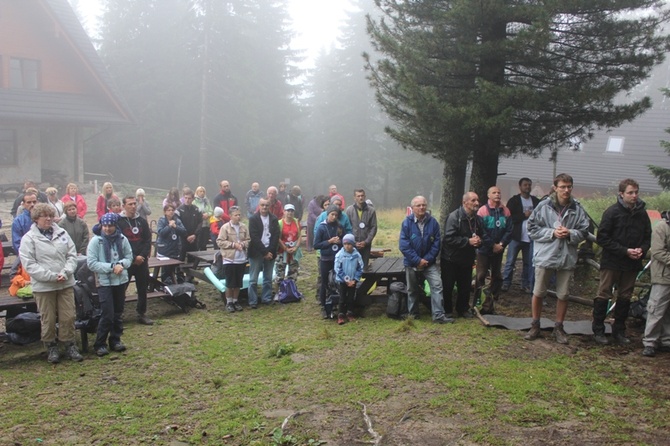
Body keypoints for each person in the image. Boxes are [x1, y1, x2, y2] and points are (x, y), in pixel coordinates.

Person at [524, 173, 590, 344]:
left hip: (567, 256)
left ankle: (559, 327)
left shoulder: (577, 208)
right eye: (562, 187)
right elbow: (531, 228)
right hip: (546, 254)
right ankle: (535, 324)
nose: (566, 190)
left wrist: (570, 234)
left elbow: (584, 231)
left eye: (569, 187)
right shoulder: (543, 206)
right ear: (555, 187)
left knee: (563, 294)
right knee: (538, 292)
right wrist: (551, 233)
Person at [19, 203, 82, 363]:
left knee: (68, 316)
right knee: (47, 318)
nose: (48, 219)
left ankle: (69, 344)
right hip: (44, 286)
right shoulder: (29, 239)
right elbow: (30, 264)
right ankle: (51, 347)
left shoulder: (62, 233)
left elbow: (72, 254)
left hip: (65, 283)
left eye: (50, 215)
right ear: (36, 219)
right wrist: (51, 276)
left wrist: (65, 272)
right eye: (44, 216)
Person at [593, 179, 651, 345]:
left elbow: (648, 236)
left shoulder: (642, 214)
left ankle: (619, 330)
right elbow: (602, 237)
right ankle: (598, 329)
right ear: (621, 194)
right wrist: (624, 251)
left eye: (636, 192)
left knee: (625, 296)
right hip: (612, 261)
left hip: (632, 263)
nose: (634, 196)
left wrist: (642, 249)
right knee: (604, 294)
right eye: (630, 192)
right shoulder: (612, 212)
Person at [399, 196, 453, 323]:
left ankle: (438, 315)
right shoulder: (406, 223)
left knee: (437, 285)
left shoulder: (433, 222)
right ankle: (413, 314)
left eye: (424, 205)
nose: (422, 207)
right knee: (412, 289)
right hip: (412, 263)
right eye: (418, 205)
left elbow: (437, 244)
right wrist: (418, 260)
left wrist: (426, 260)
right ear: (412, 208)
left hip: (429, 263)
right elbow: (404, 245)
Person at [87, 212, 133, 357]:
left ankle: (115, 339)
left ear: (115, 226)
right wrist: (112, 267)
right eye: (105, 226)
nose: (107, 229)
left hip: (120, 280)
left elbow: (129, 256)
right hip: (104, 282)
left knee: (118, 312)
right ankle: (100, 343)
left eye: (110, 226)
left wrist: (121, 264)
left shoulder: (122, 239)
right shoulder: (96, 241)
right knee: (107, 313)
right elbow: (92, 263)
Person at [441, 192, 487, 318]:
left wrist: (479, 241)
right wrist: (468, 241)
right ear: (465, 202)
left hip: (467, 258)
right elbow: (448, 238)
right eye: (473, 200)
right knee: (448, 286)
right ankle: (447, 310)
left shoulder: (478, 219)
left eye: (477, 200)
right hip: (450, 258)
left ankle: (463, 309)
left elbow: (483, 236)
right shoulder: (454, 217)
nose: (477, 203)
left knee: (465, 286)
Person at [475, 186, 513, 312]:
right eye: (494, 192)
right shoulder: (482, 211)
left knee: (497, 277)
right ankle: (478, 303)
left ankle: (491, 302)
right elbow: (481, 231)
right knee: (481, 276)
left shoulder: (506, 211)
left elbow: (509, 230)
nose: (497, 194)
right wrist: (492, 245)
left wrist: (501, 245)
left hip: (499, 250)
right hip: (484, 250)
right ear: (488, 196)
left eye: (499, 192)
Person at [118, 195, 154, 326]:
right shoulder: (119, 222)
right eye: (130, 204)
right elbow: (118, 243)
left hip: (142, 261)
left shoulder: (142, 221)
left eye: (134, 204)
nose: (133, 206)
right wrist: (132, 258)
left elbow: (147, 240)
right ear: (124, 206)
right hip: (127, 261)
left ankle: (141, 313)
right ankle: (119, 314)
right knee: (122, 288)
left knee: (142, 288)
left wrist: (142, 256)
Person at [502, 178, 540, 293]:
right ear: (520, 187)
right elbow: (508, 218)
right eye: (525, 185)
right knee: (510, 261)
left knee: (528, 262)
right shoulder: (514, 201)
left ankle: (526, 283)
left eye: (529, 185)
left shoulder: (535, 201)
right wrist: (524, 215)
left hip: (530, 238)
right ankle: (506, 282)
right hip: (516, 237)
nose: (527, 187)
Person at [642, 211, 670, 357]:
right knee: (656, 309)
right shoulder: (661, 227)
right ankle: (650, 342)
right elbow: (658, 252)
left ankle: (666, 340)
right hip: (662, 276)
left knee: (668, 312)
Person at [216, 206, 250, 313]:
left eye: (239, 215)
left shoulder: (244, 227)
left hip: (242, 259)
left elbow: (248, 240)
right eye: (236, 215)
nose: (238, 217)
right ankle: (229, 302)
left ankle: (236, 301)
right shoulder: (225, 228)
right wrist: (233, 245)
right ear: (230, 216)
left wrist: (243, 244)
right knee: (230, 283)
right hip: (229, 259)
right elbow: (220, 241)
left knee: (238, 283)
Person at [247, 198, 279, 308]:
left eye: (266, 205)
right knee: (253, 279)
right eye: (262, 205)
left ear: (269, 206)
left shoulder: (274, 219)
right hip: (256, 252)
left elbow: (275, 236)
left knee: (268, 277)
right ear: (259, 206)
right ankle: (253, 301)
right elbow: (254, 237)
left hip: (270, 251)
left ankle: (266, 298)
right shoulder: (253, 219)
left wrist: (270, 251)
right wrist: (264, 252)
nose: (264, 207)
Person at [314, 205, 345, 319]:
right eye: (332, 214)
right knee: (324, 283)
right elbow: (316, 245)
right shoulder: (322, 227)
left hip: (337, 259)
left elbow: (345, 242)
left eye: (336, 215)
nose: (334, 217)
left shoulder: (339, 227)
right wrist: (329, 242)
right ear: (328, 214)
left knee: (338, 282)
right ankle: (323, 306)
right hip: (325, 259)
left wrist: (340, 242)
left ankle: (337, 305)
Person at [334, 233, 364, 325]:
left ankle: (350, 313)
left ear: (353, 244)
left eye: (349, 244)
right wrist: (346, 280)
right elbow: (337, 268)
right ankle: (341, 315)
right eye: (345, 244)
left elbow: (360, 267)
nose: (347, 246)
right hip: (342, 281)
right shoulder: (340, 255)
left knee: (351, 297)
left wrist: (355, 279)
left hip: (353, 280)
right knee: (342, 298)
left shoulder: (357, 255)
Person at [345, 189, 377, 268]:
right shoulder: (349, 210)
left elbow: (373, 227)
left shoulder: (371, 211)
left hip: (365, 244)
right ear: (354, 198)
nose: (360, 198)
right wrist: (353, 242)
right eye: (358, 196)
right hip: (352, 244)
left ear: (365, 196)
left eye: (362, 196)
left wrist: (366, 242)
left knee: (364, 266)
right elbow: (347, 228)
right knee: (352, 266)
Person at [156, 204, 186, 284]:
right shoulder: (162, 220)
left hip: (175, 249)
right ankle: (166, 282)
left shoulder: (177, 220)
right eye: (169, 210)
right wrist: (169, 226)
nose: (171, 212)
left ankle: (177, 282)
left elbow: (184, 232)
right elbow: (161, 233)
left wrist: (176, 227)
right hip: (164, 249)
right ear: (165, 212)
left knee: (175, 267)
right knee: (166, 269)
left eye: (172, 210)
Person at [176, 188, 202, 279]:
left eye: (189, 198)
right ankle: (179, 277)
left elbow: (200, 223)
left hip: (194, 238)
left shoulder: (196, 209)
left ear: (193, 199)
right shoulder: (179, 210)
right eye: (186, 198)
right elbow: (177, 224)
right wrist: (186, 236)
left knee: (192, 258)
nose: (187, 200)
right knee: (181, 258)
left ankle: (190, 277)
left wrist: (195, 235)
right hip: (183, 239)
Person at [275, 204, 303, 285]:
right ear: (284, 211)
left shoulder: (297, 222)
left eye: (292, 211)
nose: (290, 213)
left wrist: (296, 247)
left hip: (294, 251)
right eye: (288, 211)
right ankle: (278, 292)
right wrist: (285, 248)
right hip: (282, 251)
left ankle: (291, 291)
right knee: (280, 273)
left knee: (293, 273)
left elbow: (299, 236)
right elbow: (278, 237)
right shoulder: (280, 223)